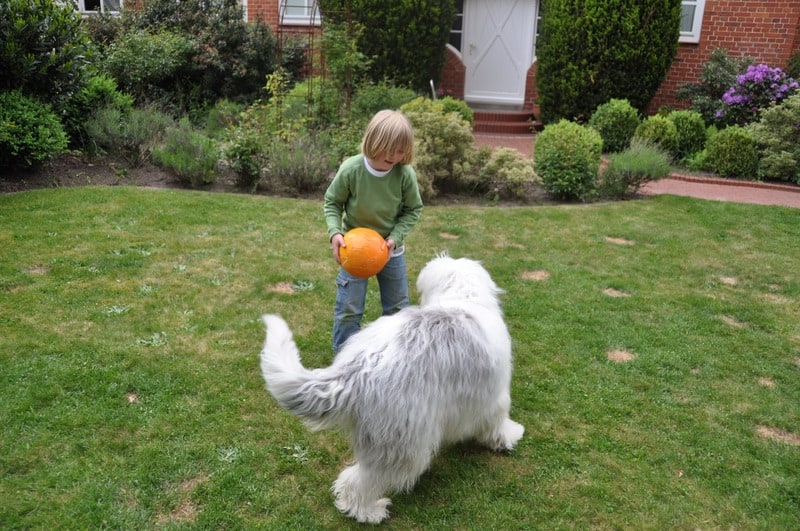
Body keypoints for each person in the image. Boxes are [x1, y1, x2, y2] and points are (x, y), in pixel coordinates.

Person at [323, 109, 423, 352]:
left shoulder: (404, 175)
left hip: (390, 252)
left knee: (398, 308)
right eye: (389, 149)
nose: (394, 156)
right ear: (373, 142)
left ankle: (396, 357)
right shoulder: (352, 169)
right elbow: (332, 202)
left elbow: (413, 210)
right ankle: (344, 360)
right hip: (354, 251)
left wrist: (394, 239)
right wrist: (335, 233)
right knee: (349, 309)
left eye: (400, 151)